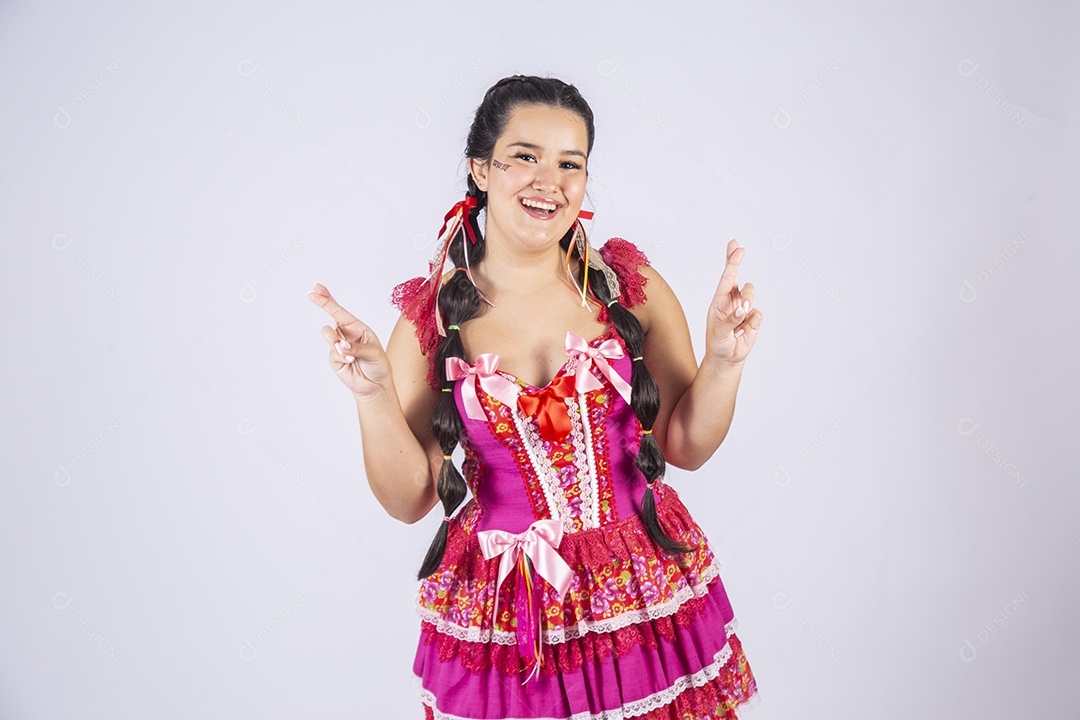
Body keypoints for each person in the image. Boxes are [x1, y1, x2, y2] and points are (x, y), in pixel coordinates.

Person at [308, 74, 762, 719]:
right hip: (507, 608)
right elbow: (409, 498)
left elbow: (686, 445)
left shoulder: (628, 286)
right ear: (479, 168)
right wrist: (374, 395)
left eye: (569, 163)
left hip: (636, 585)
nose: (549, 181)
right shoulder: (433, 318)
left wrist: (723, 362)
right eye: (524, 156)